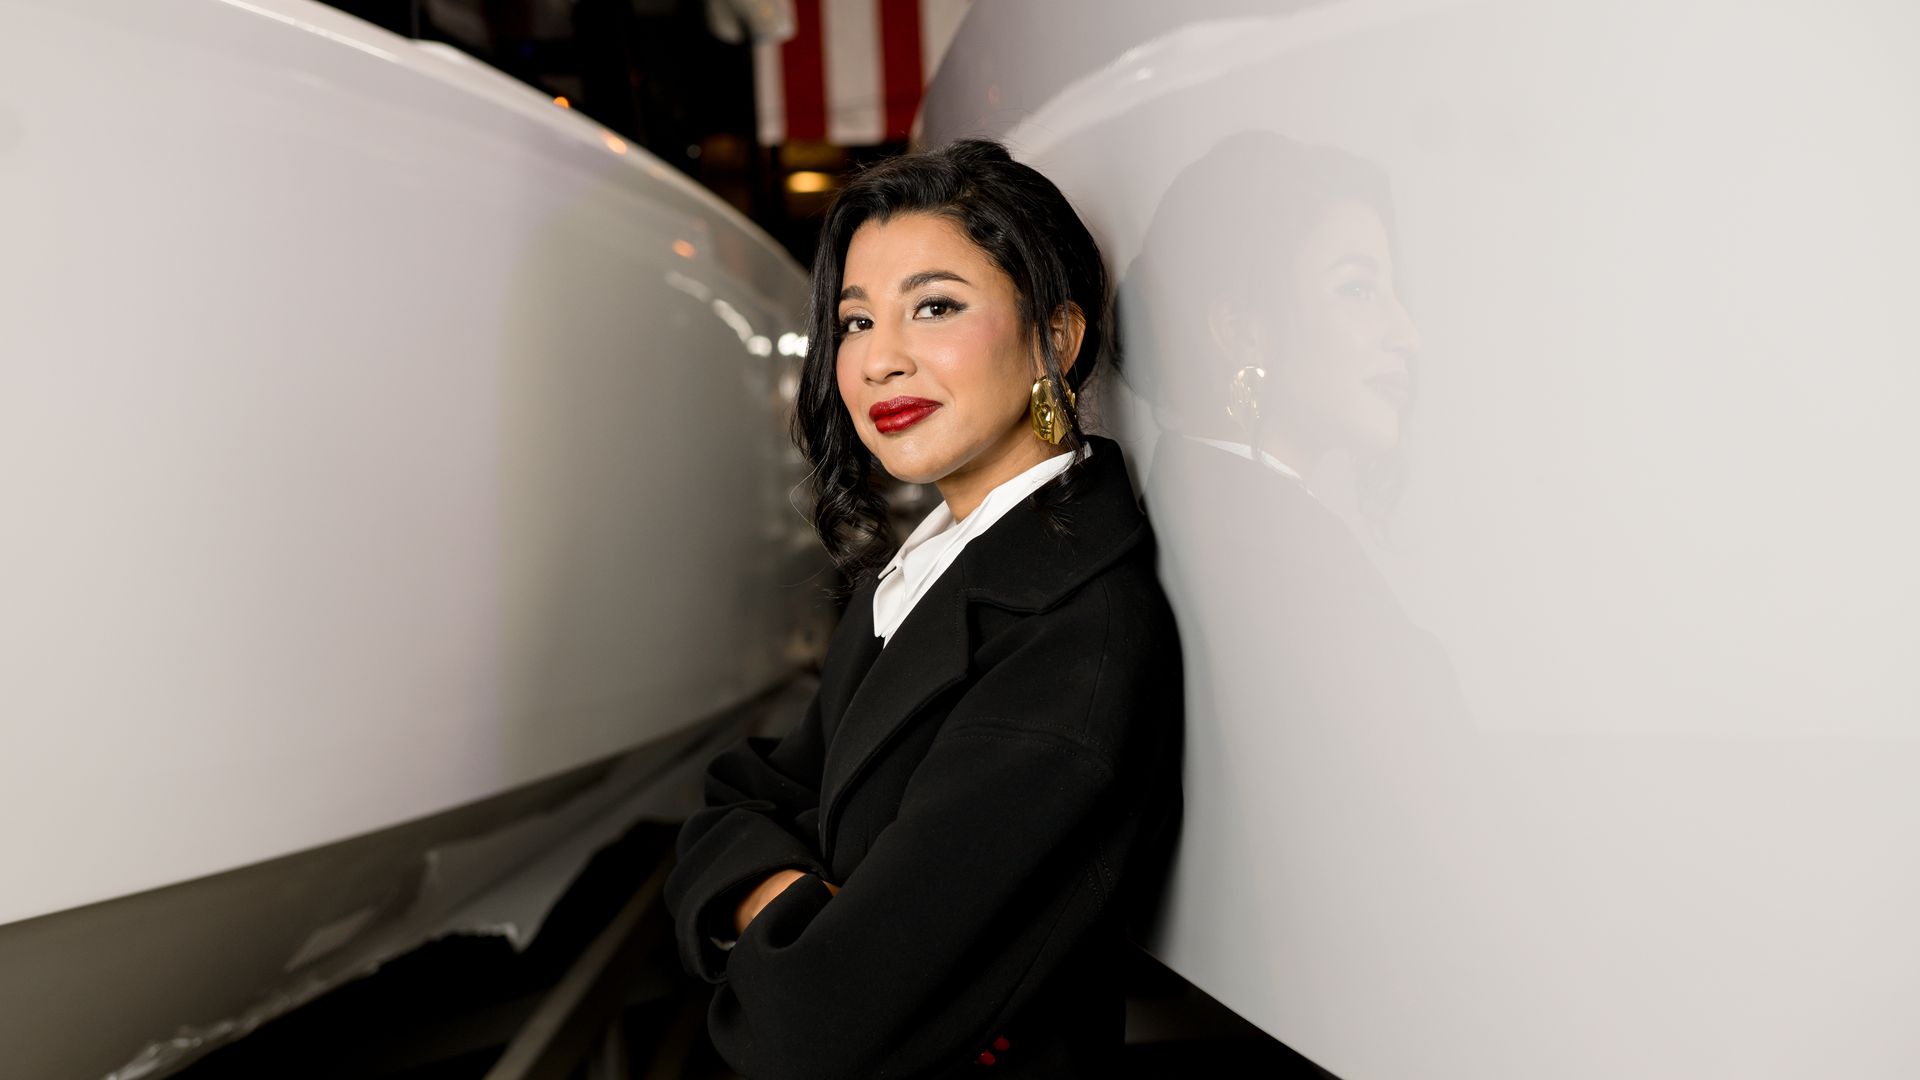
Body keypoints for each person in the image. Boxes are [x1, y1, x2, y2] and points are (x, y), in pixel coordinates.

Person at [663, 137, 1184, 1079]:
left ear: (1057, 338)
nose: (878, 361)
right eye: (857, 321)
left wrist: (760, 892)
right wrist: (798, 900)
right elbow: (744, 794)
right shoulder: (931, 569)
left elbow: (819, 1022)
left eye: (934, 307)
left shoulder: (1075, 638)